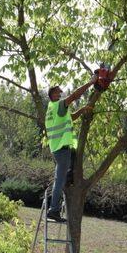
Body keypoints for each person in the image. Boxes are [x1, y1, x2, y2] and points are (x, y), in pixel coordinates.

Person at [45, 74, 98, 222]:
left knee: (63, 177)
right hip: (62, 148)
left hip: (59, 148)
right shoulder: (58, 105)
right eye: (58, 92)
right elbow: (75, 95)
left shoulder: (53, 108)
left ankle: (68, 181)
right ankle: (54, 210)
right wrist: (90, 83)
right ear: (52, 95)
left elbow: (71, 117)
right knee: (59, 180)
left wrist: (83, 110)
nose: (61, 94)